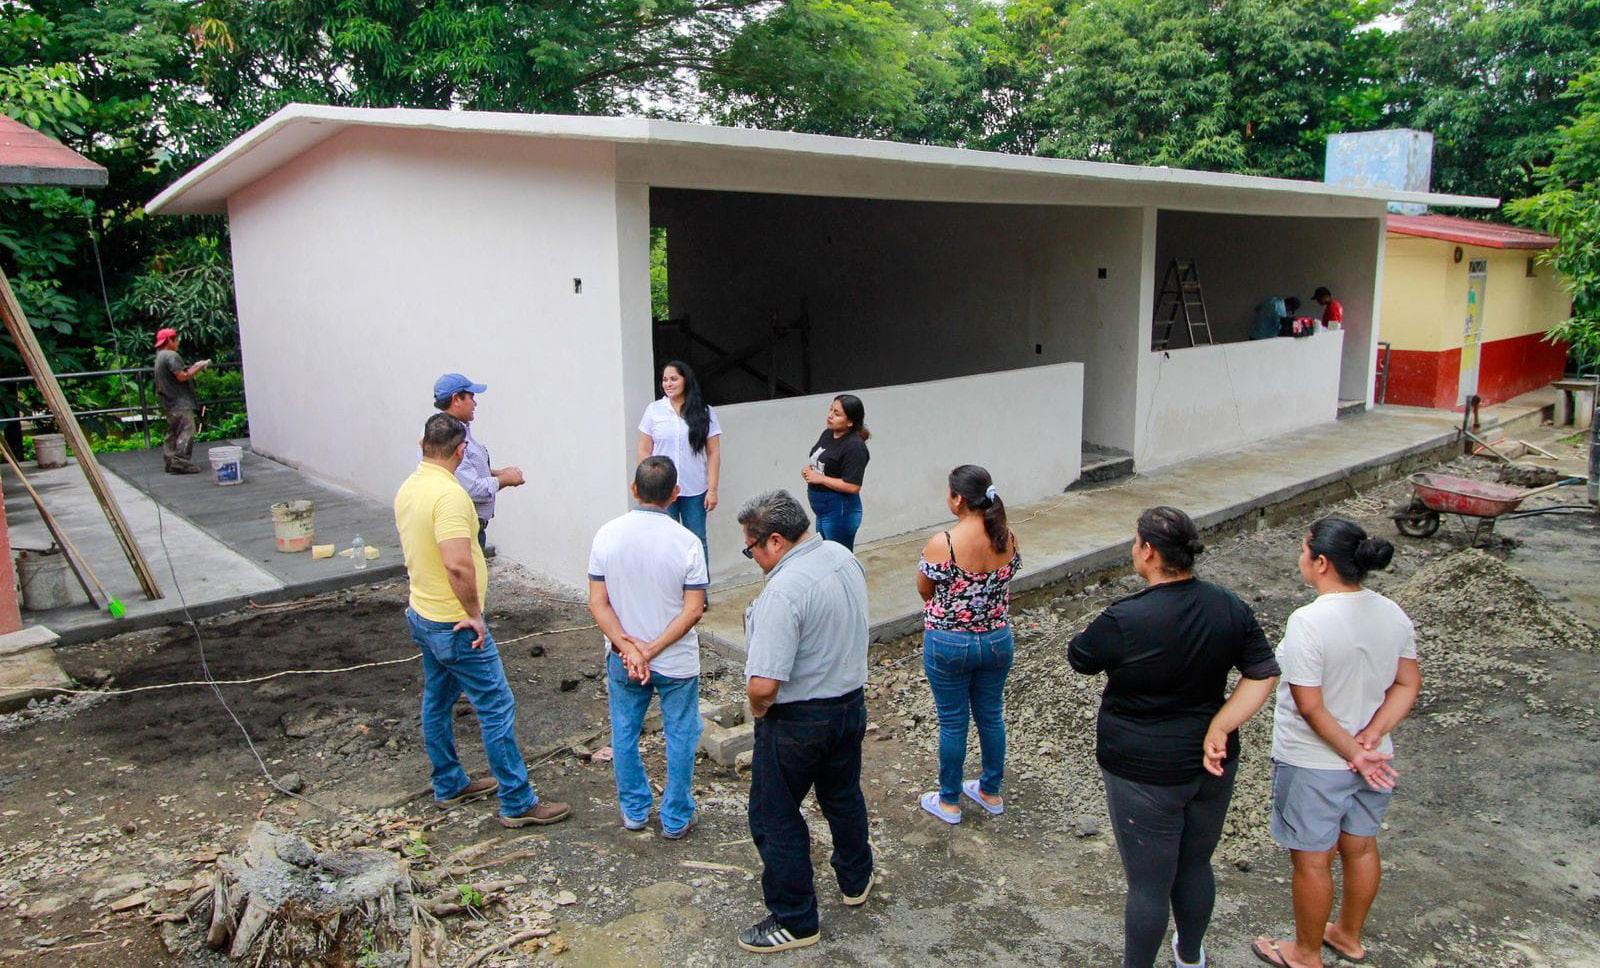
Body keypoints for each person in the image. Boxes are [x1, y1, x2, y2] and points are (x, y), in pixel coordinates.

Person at [1069, 506, 1280, 968]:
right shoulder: (1228, 605)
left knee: (1148, 886)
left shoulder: (1125, 618)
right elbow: (1262, 672)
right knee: (1195, 864)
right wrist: (1221, 725)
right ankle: (1189, 955)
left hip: (1142, 772)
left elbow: (1081, 657)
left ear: (1148, 551)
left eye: (1135, 542)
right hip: (1212, 764)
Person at [1250, 517, 1420, 968]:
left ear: (1321, 562)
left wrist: (1352, 752)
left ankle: (1304, 953)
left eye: (1303, 549)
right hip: (1376, 760)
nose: (1299, 557)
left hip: (1315, 761)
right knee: (1360, 846)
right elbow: (1407, 683)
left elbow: (1310, 706)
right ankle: (1348, 934)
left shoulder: (1309, 621)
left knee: (1312, 860)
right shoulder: (1392, 613)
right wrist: (1374, 735)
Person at [395, 413, 569, 828]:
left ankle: (449, 783)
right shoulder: (449, 496)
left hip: (423, 614)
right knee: (496, 705)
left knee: (437, 702)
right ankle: (517, 801)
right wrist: (473, 614)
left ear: (422, 445)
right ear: (460, 451)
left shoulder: (409, 487)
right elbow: (457, 564)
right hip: (455, 623)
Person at [737, 490, 873, 953]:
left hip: (799, 720)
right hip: (850, 705)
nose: (754, 559)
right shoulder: (841, 556)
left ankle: (795, 919)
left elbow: (763, 686)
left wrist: (759, 711)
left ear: (775, 541)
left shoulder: (784, 591)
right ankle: (856, 877)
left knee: (773, 814)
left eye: (751, 549)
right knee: (842, 795)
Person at [586, 456, 709, 839]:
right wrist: (651, 650)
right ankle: (675, 818)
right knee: (681, 735)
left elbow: (598, 603)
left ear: (634, 489)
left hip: (624, 659)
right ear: (676, 494)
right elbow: (694, 609)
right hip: (675, 661)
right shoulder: (688, 542)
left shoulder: (606, 534)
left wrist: (629, 648)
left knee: (624, 734)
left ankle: (635, 811)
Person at [915, 465, 1020, 824]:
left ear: (958, 499)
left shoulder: (943, 543)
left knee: (952, 722)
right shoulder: (1008, 537)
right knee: (991, 715)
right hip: (996, 640)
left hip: (948, 642)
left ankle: (949, 801)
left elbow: (925, 590)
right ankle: (990, 791)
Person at [637, 360, 721, 565]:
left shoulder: (704, 411)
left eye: (673, 379)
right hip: (662, 488)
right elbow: (644, 449)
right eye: (665, 379)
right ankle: (671, 584)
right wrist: (645, 484)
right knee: (666, 540)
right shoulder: (654, 410)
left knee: (697, 539)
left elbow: (713, 452)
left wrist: (712, 490)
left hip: (695, 489)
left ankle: (700, 585)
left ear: (685, 380)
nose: (668, 384)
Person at [433, 373, 524, 554]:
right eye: (471, 397)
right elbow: (471, 489)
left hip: (472, 526)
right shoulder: (448, 436)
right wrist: (506, 479)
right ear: (456, 399)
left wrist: (497, 473)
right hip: (465, 529)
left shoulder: (456, 430)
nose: (475, 404)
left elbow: (465, 469)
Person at [801, 394, 870, 551]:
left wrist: (820, 478)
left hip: (840, 512)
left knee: (838, 557)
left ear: (850, 422)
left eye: (837, 414)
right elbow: (824, 463)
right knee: (825, 555)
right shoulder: (828, 433)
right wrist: (809, 471)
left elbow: (853, 486)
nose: (830, 415)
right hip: (823, 510)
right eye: (831, 410)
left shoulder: (854, 446)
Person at [152, 327, 209, 474]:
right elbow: (182, 376)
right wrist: (199, 367)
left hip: (168, 401)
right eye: (176, 340)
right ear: (169, 341)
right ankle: (180, 462)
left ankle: (170, 460)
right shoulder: (171, 355)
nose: (178, 343)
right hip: (179, 401)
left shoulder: (159, 356)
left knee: (173, 431)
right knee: (187, 430)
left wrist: (193, 367)